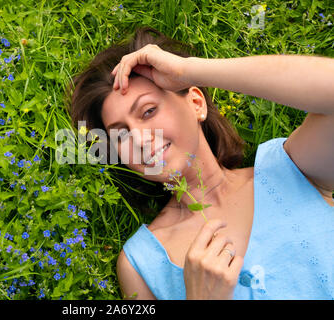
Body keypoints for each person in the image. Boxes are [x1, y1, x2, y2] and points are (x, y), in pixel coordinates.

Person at [67, 27, 334, 299]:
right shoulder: (141, 264)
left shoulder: (289, 168)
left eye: (148, 111)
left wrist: (189, 71)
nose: (138, 138)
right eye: (120, 134)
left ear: (197, 103)